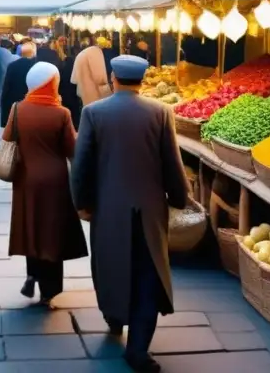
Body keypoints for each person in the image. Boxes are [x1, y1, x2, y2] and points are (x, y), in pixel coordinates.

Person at [71, 55, 189, 373]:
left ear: (113, 78)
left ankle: (113, 318)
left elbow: (80, 166)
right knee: (147, 277)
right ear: (142, 79)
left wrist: (82, 202)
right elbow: (172, 164)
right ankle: (138, 350)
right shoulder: (161, 112)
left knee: (111, 266)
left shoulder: (93, 113)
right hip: (150, 211)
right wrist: (180, 197)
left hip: (108, 209)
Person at [4, 61, 87, 304]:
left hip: (25, 179)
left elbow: (8, 138)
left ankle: (33, 274)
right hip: (55, 180)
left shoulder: (17, 109)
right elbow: (71, 149)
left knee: (31, 226)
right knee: (52, 231)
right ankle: (49, 290)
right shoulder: (61, 113)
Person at [0, 41, 37, 127]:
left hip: (16, 105)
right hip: (33, 104)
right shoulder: (38, 65)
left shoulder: (12, 66)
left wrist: (4, 119)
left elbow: (6, 89)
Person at [70, 43, 111, 108]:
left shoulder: (80, 55)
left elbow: (74, 80)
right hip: (99, 98)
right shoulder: (97, 54)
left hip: (84, 96)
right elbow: (101, 79)